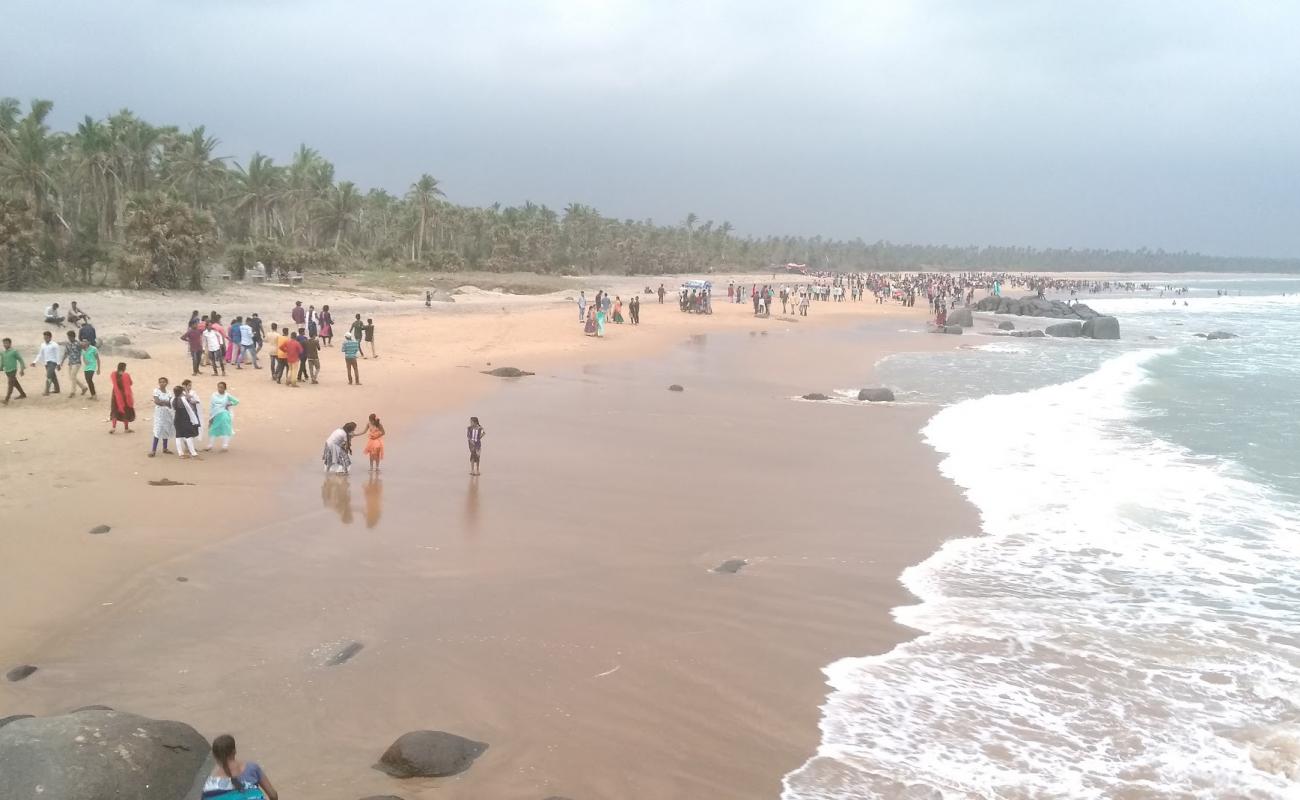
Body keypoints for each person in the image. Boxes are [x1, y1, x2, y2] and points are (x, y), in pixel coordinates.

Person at [202, 734, 278, 800]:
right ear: (234, 751)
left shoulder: (209, 786)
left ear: (215, 756)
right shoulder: (252, 768)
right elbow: (273, 794)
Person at [206, 382, 239, 451]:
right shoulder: (214, 395)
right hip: (216, 414)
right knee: (213, 429)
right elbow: (211, 405)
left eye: (221, 387)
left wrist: (229, 404)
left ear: (225, 388)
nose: (220, 389)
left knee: (226, 430)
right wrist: (211, 416)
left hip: (224, 414)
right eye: (219, 387)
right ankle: (210, 445)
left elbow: (236, 401)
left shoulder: (227, 395)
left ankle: (225, 446)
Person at [172, 384, 201, 458]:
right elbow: (190, 399)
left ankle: (180, 453)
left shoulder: (173, 399)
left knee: (178, 436)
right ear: (181, 392)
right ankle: (193, 453)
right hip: (184, 418)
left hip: (177, 418)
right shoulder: (183, 398)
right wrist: (185, 390)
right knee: (188, 435)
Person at [149, 377, 174, 457]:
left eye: (164, 382)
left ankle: (165, 448)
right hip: (159, 414)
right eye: (160, 382)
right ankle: (153, 450)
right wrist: (165, 402)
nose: (162, 383)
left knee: (166, 430)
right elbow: (157, 402)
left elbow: (170, 403)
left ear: (167, 383)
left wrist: (162, 402)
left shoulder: (169, 392)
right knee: (158, 429)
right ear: (158, 383)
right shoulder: (156, 391)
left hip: (167, 413)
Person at [108, 363, 135, 433]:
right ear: (124, 368)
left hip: (115, 394)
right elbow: (131, 383)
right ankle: (126, 428)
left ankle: (113, 428)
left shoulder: (113, 374)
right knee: (125, 410)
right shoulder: (126, 375)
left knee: (114, 410)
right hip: (124, 395)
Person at [32, 330, 61, 395]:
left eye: (47, 337)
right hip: (46, 363)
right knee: (53, 376)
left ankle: (47, 391)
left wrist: (58, 364)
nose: (45, 339)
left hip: (53, 362)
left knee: (49, 376)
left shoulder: (54, 345)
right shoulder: (43, 345)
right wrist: (34, 361)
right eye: (44, 337)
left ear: (50, 337)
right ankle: (57, 389)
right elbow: (40, 354)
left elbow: (57, 354)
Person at [60, 330, 88, 396]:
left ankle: (73, 392)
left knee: (73, 376)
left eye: (69, 337)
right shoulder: (68, 344)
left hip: (77, 362)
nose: (68, 338)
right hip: (70, 363)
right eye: (68, 337)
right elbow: (66, 353)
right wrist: (62, 361)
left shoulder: (78, 343)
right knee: (72, 377)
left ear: (73, 337)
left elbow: (85, 349)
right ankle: (83, 387)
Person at [2, 338, 26, 405]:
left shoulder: (14, 351)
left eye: (6, 343)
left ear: (10, 343)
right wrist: (1, 367)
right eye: (4, 343)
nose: (5, 344)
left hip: (13, 370)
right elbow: (3, 361)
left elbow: (21, 360)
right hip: (7, 371)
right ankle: (23, 394)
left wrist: (22, 369)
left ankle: (6, 399)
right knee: (15, 383)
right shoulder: (3, 352)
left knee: (10, 384)